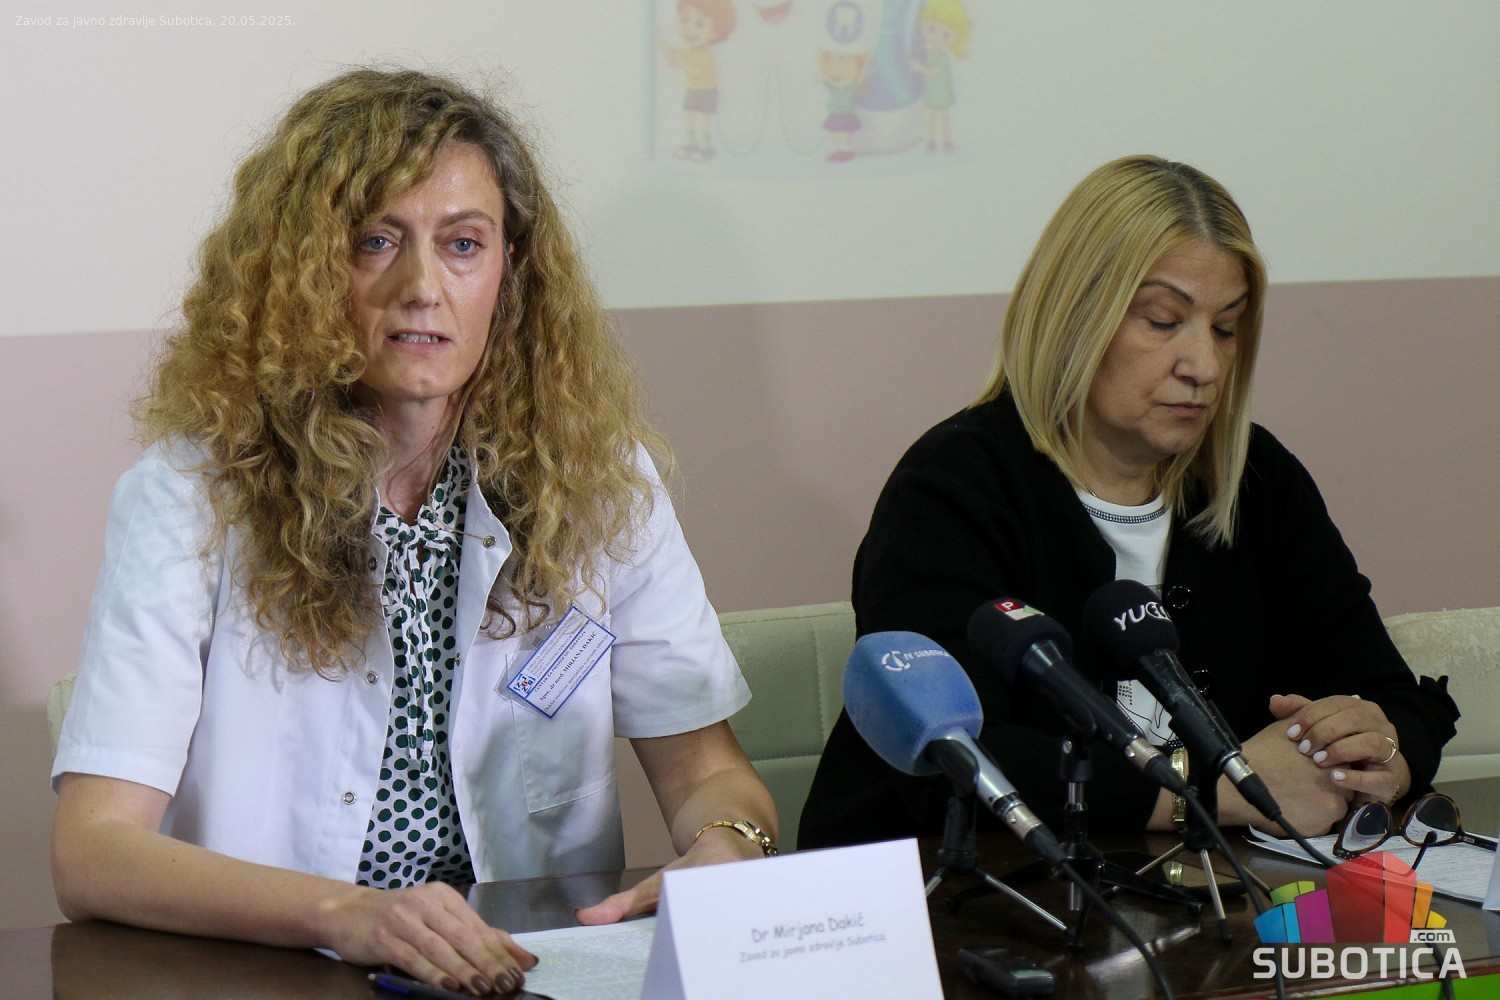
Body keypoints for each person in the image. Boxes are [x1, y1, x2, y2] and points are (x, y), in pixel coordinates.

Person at [51, 68, 777, 997]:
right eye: (375, 242)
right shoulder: (190, 496)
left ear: (512, 273)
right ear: (302, 273)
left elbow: (707, 772)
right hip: (281, 974)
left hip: (526, 973)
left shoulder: (601, 481)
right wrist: (347, 912)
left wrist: (727, 845)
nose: (423, 287)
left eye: (463, 244)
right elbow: (95, 852)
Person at [799, 155, 1458, 850]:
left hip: (1200, 896)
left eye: (1226, 328)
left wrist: (1383, 751)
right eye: (1163, 321)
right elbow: (952, 763)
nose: (1204, 366)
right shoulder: (954, 484)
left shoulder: (1254, 479)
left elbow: (1390, 694)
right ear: (1073, 317)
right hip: (967, 894)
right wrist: (1212, 791)